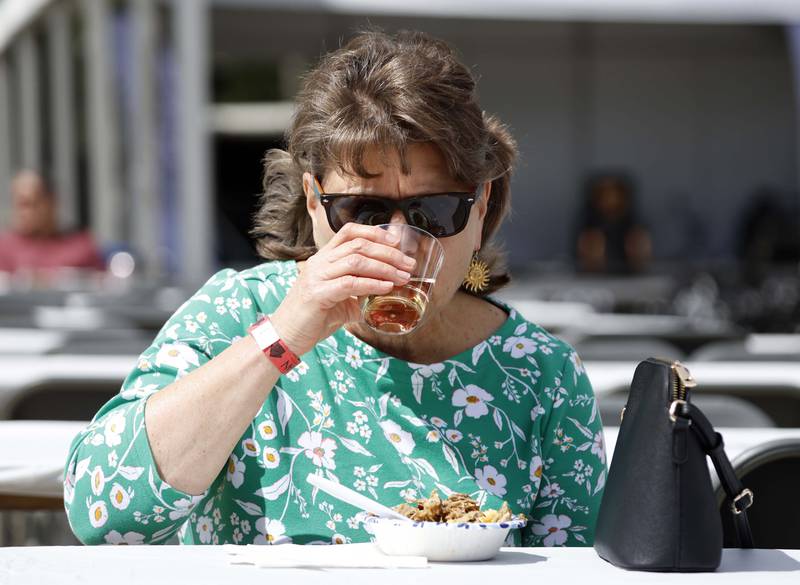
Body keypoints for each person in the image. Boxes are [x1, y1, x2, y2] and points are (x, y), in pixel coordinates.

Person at [64, 30, 606, 547]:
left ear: (481, 204)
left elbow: (576, 566)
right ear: (314, 201)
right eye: (362, 210)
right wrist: (285, 334)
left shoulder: (540, 374)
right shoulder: (239, 311)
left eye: (433, 210)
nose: (399, 241)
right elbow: (105, 515)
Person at [0, 170, 104, 275]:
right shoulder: (5, 249)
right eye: (17, 204)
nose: (21, 212)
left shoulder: (80, 247)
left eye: (28, 204)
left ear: (51, 201)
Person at [575, 172, 651, 274]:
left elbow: (642, 257)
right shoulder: (591, 229)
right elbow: (588, 259)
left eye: (616, 196)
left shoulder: (633, 227)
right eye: (604, 196)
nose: (611, 201)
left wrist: (638, 255)